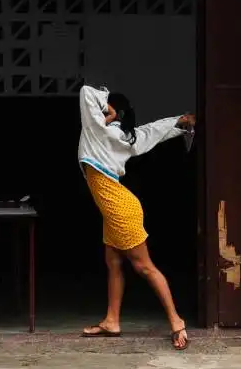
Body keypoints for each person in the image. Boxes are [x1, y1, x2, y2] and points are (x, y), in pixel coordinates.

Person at [77, 85, 195, 350]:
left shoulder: (97, 129)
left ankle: (177, 322)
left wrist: (105, 106)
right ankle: (112, 321)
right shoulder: (127, 137)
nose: (99, 112)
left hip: (119, 208)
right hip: (116, 207)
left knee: (144, 267)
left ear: (112, 111)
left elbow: (86, 91)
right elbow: (154, 130)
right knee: (114, 262)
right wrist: (180, 121)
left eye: (105, 109)